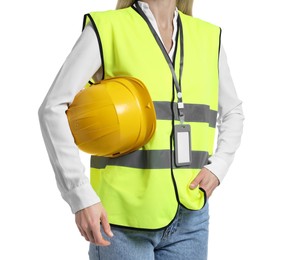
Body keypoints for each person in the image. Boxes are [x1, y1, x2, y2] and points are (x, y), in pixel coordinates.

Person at [38, 0, 244, 259]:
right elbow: (52, 108)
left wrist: (219, 166)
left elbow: (233, 111)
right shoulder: (107, 28)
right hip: (122, 220)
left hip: (190, 215)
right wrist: (80, 195)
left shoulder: (208, 36)